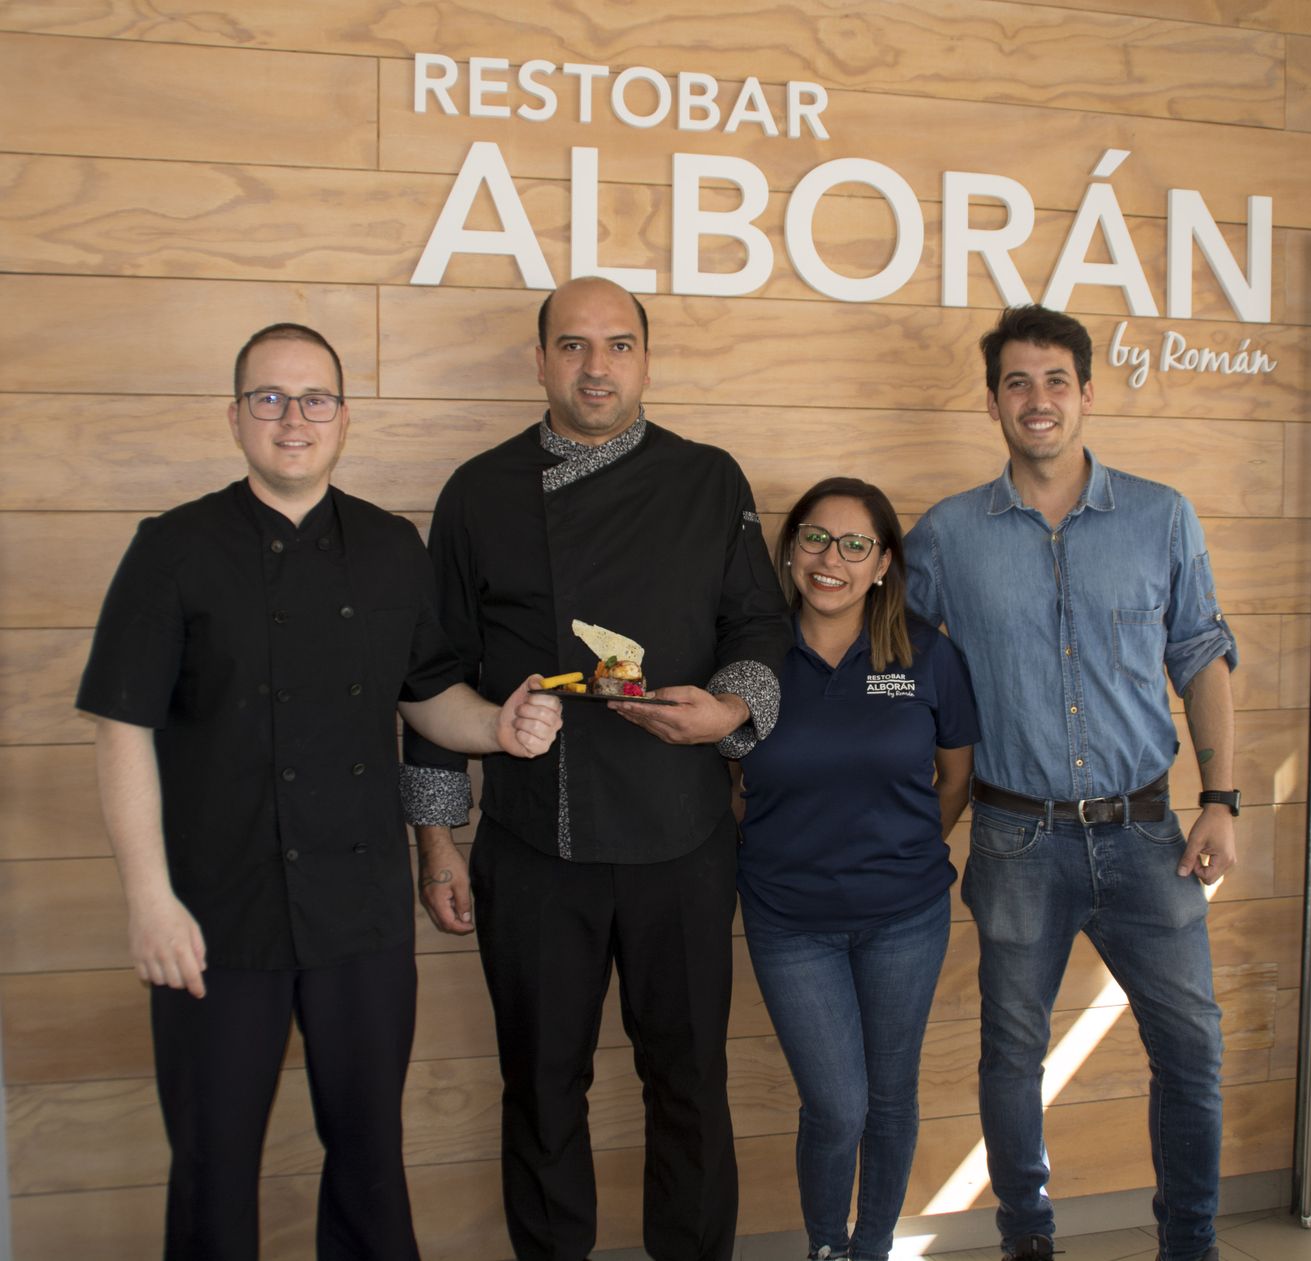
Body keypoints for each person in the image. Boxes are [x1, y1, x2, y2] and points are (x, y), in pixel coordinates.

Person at [75, 322, 564, 1261]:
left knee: (372, 1161)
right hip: (215, 916)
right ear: (235, 416)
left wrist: (497, 727)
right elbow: (121, 728)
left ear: (344, 418)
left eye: (314, 399)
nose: (292, 418)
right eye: (269, 397)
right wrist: (149, 899)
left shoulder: (390, 545)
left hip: (360, 913)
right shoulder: (172, 548)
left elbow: (429, 695)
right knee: (213, 1170)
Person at [400, 276, 792, 1261]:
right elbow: (434, 673)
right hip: (535, 838)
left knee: (690, 1080)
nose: (596, 367)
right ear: (539, 361)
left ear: (647, 360)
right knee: (540, 1084)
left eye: (618, 344)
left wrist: (730, 710)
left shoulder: (709, 479)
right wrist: (437, 839)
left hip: (683, 833)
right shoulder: (478, 491)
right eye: (572, 345)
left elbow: (757, 624)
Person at [904, 305, 1239, 1261]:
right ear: (993, 402)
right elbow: (895, 664)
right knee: (1013, 1055)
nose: (1037, 399)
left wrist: (1222, 798)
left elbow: (1202, 655)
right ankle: (1028, 1240)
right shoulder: (948, 535)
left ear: (1087, 392)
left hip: (1148, 834)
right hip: (1016, 839)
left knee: (1192, 1050)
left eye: (1056, 380)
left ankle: (1191, 1245)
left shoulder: (1161, 515)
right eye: (1017, 382)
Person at [734, 477, 978, 1261]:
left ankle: (870, 1247)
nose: (829, 559)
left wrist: (900, 851)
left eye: (853, 544)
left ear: (883, 564)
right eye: (813, 537)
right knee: (838, 1106)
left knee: (891, 1097)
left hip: (906, 917)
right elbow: (728, 783)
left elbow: (955, 776)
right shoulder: (752, 656)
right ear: (789, 549)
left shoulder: (927, 653)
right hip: (789, 921)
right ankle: (825, 1247)